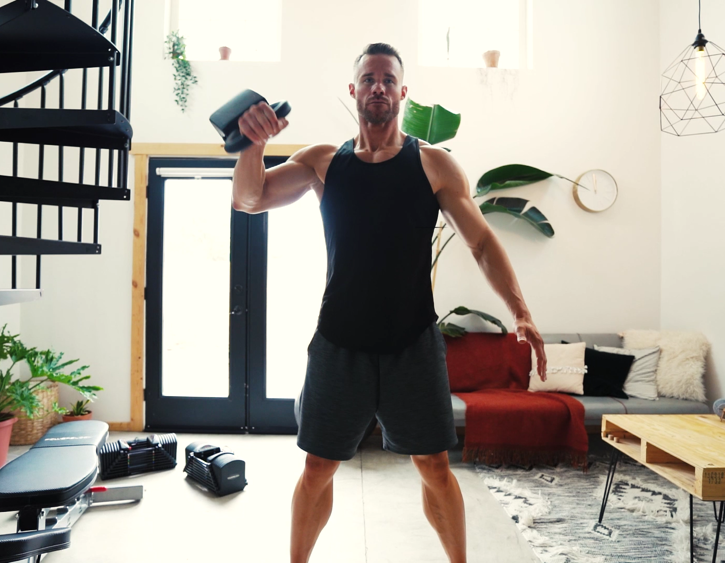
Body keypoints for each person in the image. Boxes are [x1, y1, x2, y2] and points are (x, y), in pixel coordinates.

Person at [230, 42, 548, 563]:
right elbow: (249, 198)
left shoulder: (434, 165)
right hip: (338, 343)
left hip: (412, 344)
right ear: (353, 91)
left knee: (434, 466)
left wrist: (521, 311)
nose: (378, 87)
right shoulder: (322, 163)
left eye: (388, 79)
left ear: (403, 92)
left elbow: (482, 243)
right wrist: (252, 143)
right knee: (316, 469)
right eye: (368, 79)